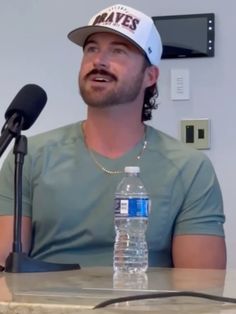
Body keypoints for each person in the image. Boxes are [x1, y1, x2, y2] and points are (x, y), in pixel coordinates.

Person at [0, 4, 226, 269]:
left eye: (118, 51)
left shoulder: (190, 169)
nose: (99, 61)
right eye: (92, 49)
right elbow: (5, 272)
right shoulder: (28, 156)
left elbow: (200, 291)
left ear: (150, 76)